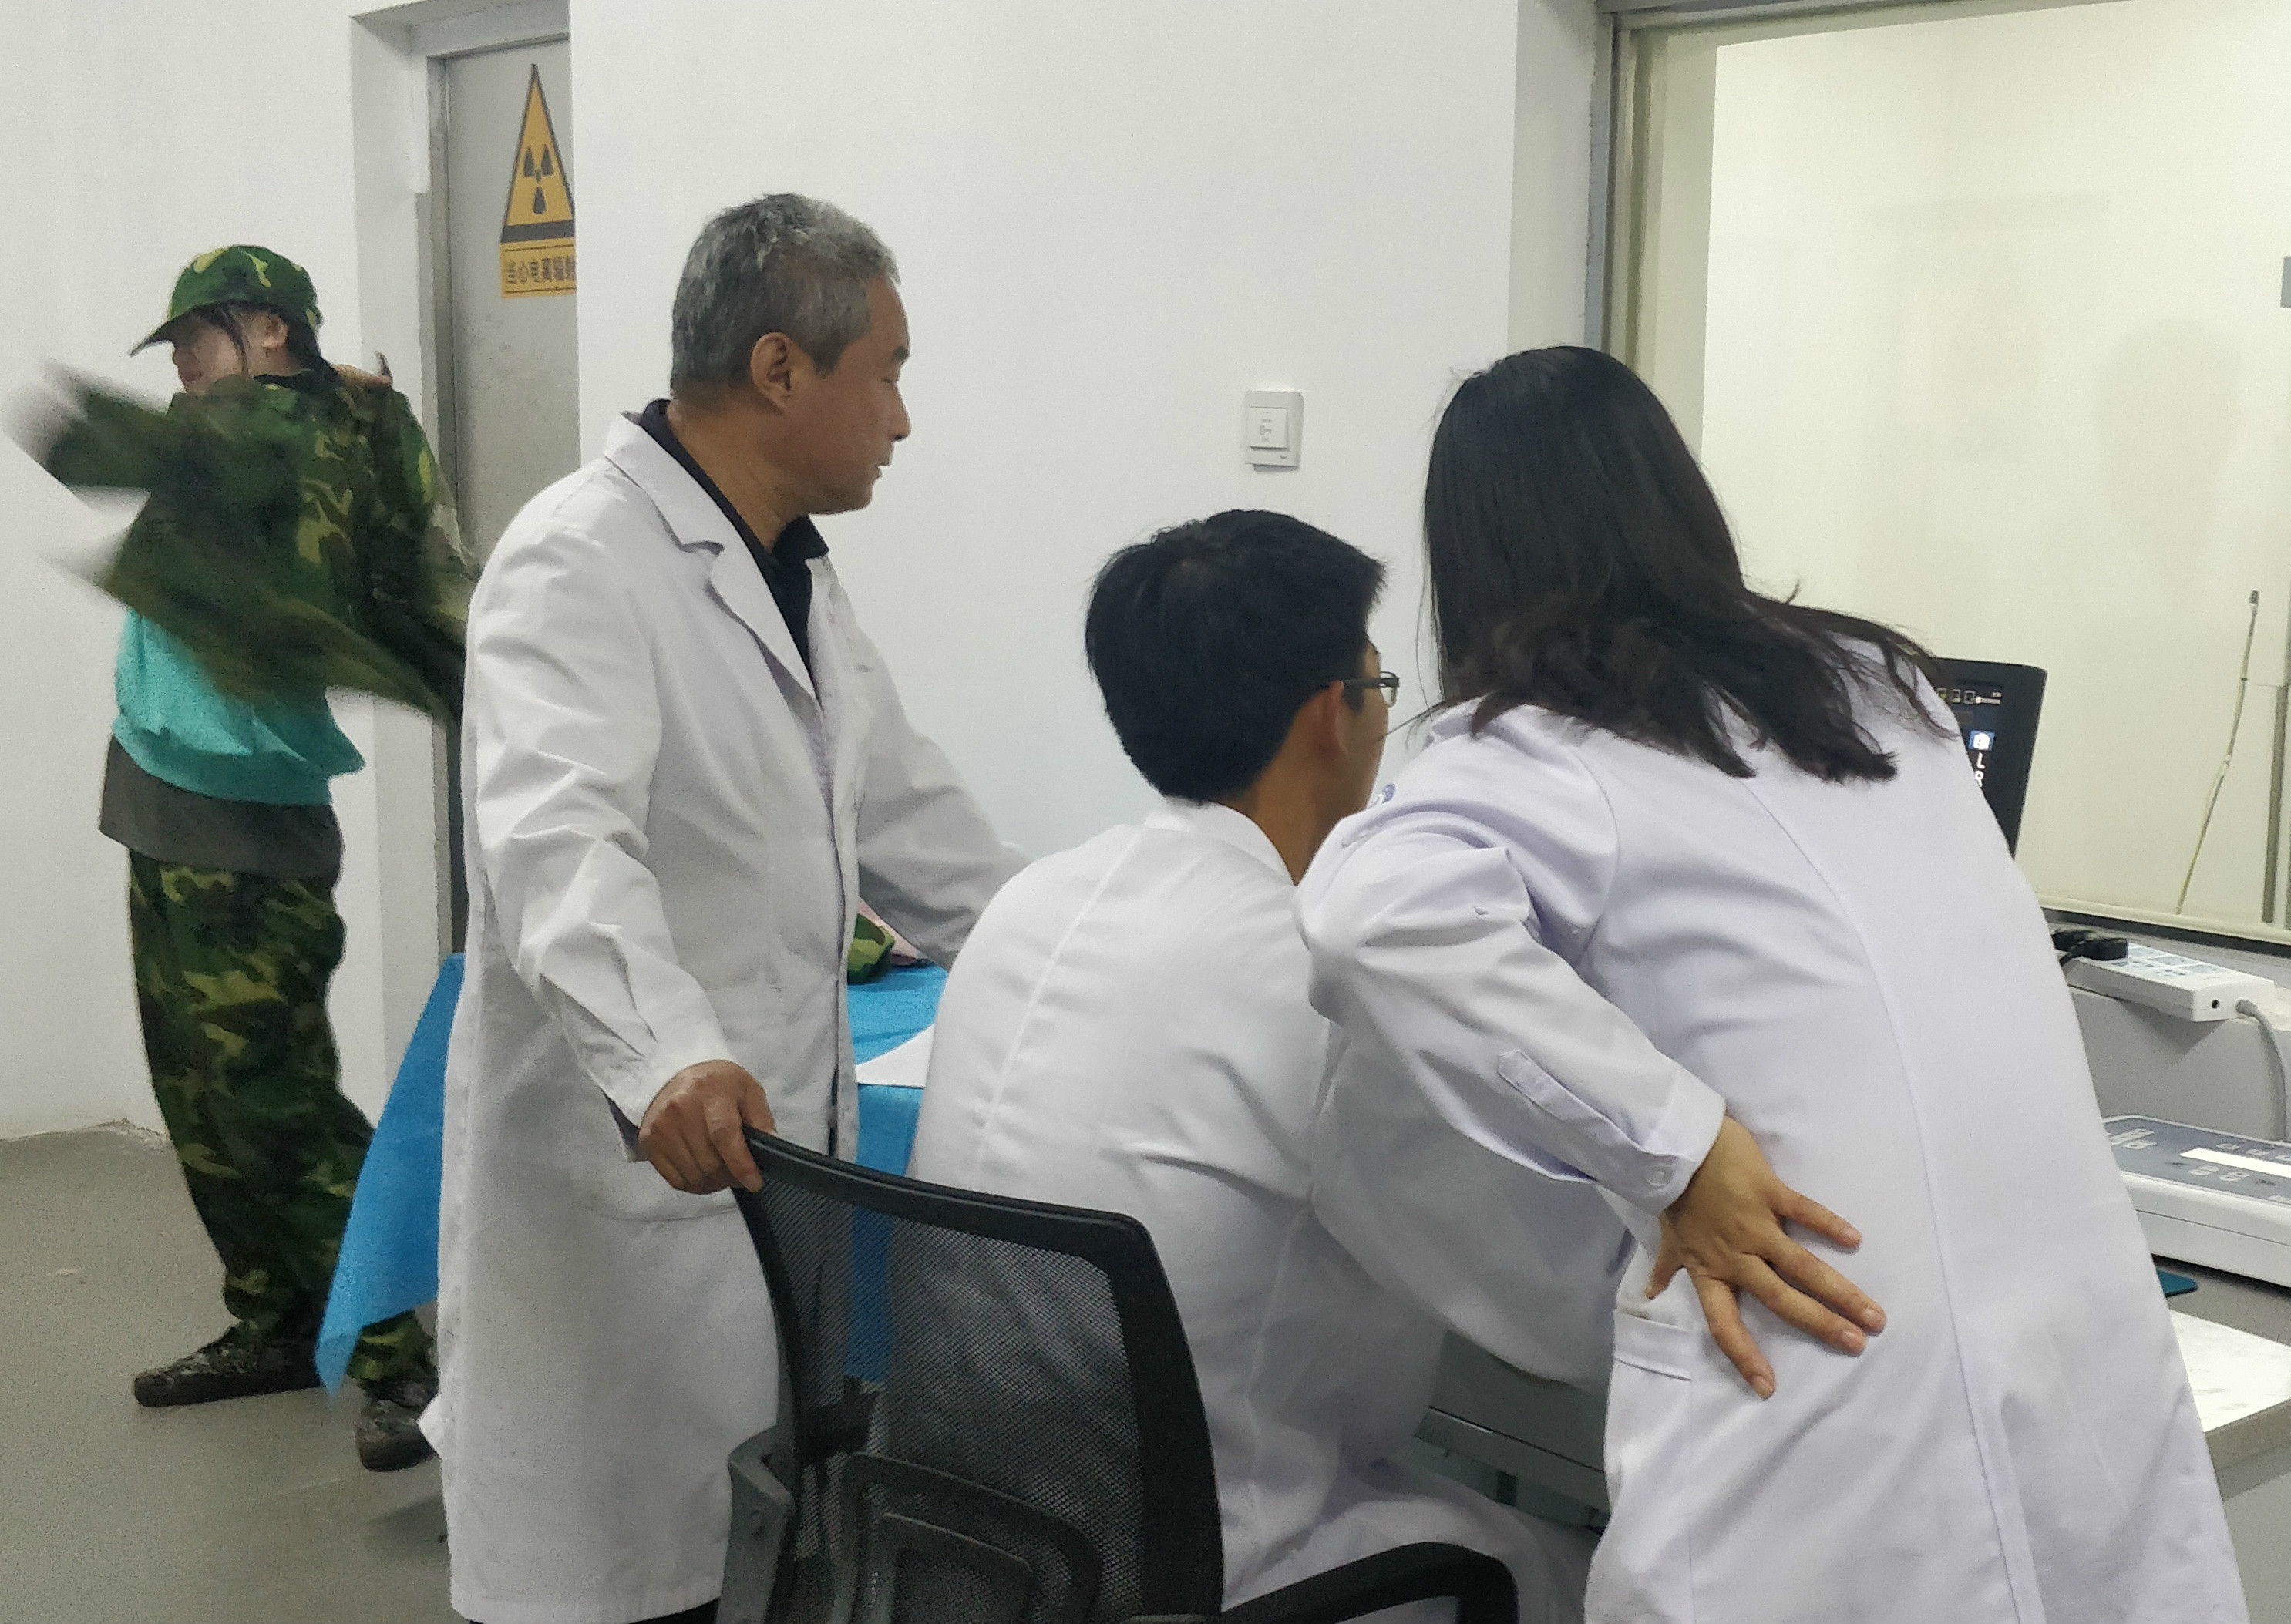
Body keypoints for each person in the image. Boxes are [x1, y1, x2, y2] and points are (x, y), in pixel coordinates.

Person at [1299, 347, 2246, 1623]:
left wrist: (1679, 1143)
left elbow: (1369, 916)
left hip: (1832, 1351)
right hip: (2068, 1335)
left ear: (1472, 556)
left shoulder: (1536, 753)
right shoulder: (1878, 689)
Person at [430, 194, 1024, 1624]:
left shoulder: (794, 578)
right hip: (633, 1190)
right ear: (778, 369)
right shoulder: (578, 558)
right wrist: (667, 1057)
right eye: (886, 372)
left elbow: (912, 821)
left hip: (762, 1186)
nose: (900, 419)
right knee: (632, 1574)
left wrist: (1093, 943)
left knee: (749, 1561)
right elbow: (556, 842)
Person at [905, 509, 1620, 1622]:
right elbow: (1559, 1318)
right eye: (1380, 689)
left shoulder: (1029, 901)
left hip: (981, 1551)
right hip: (1214, 1571)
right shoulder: (1311, 981)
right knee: (1599, 1572)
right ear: (1332, 715)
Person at [30, 244, 468, 1472]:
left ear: (271, 331)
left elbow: (90, 442)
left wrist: (344, 401)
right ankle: (274, 1318)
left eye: (196, 336)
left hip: (247, 824)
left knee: (279, 1099)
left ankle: (403, 1357)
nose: (180, 362)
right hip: (159, 797)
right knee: (201, 1092)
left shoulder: (292, 432)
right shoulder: (262, 429)